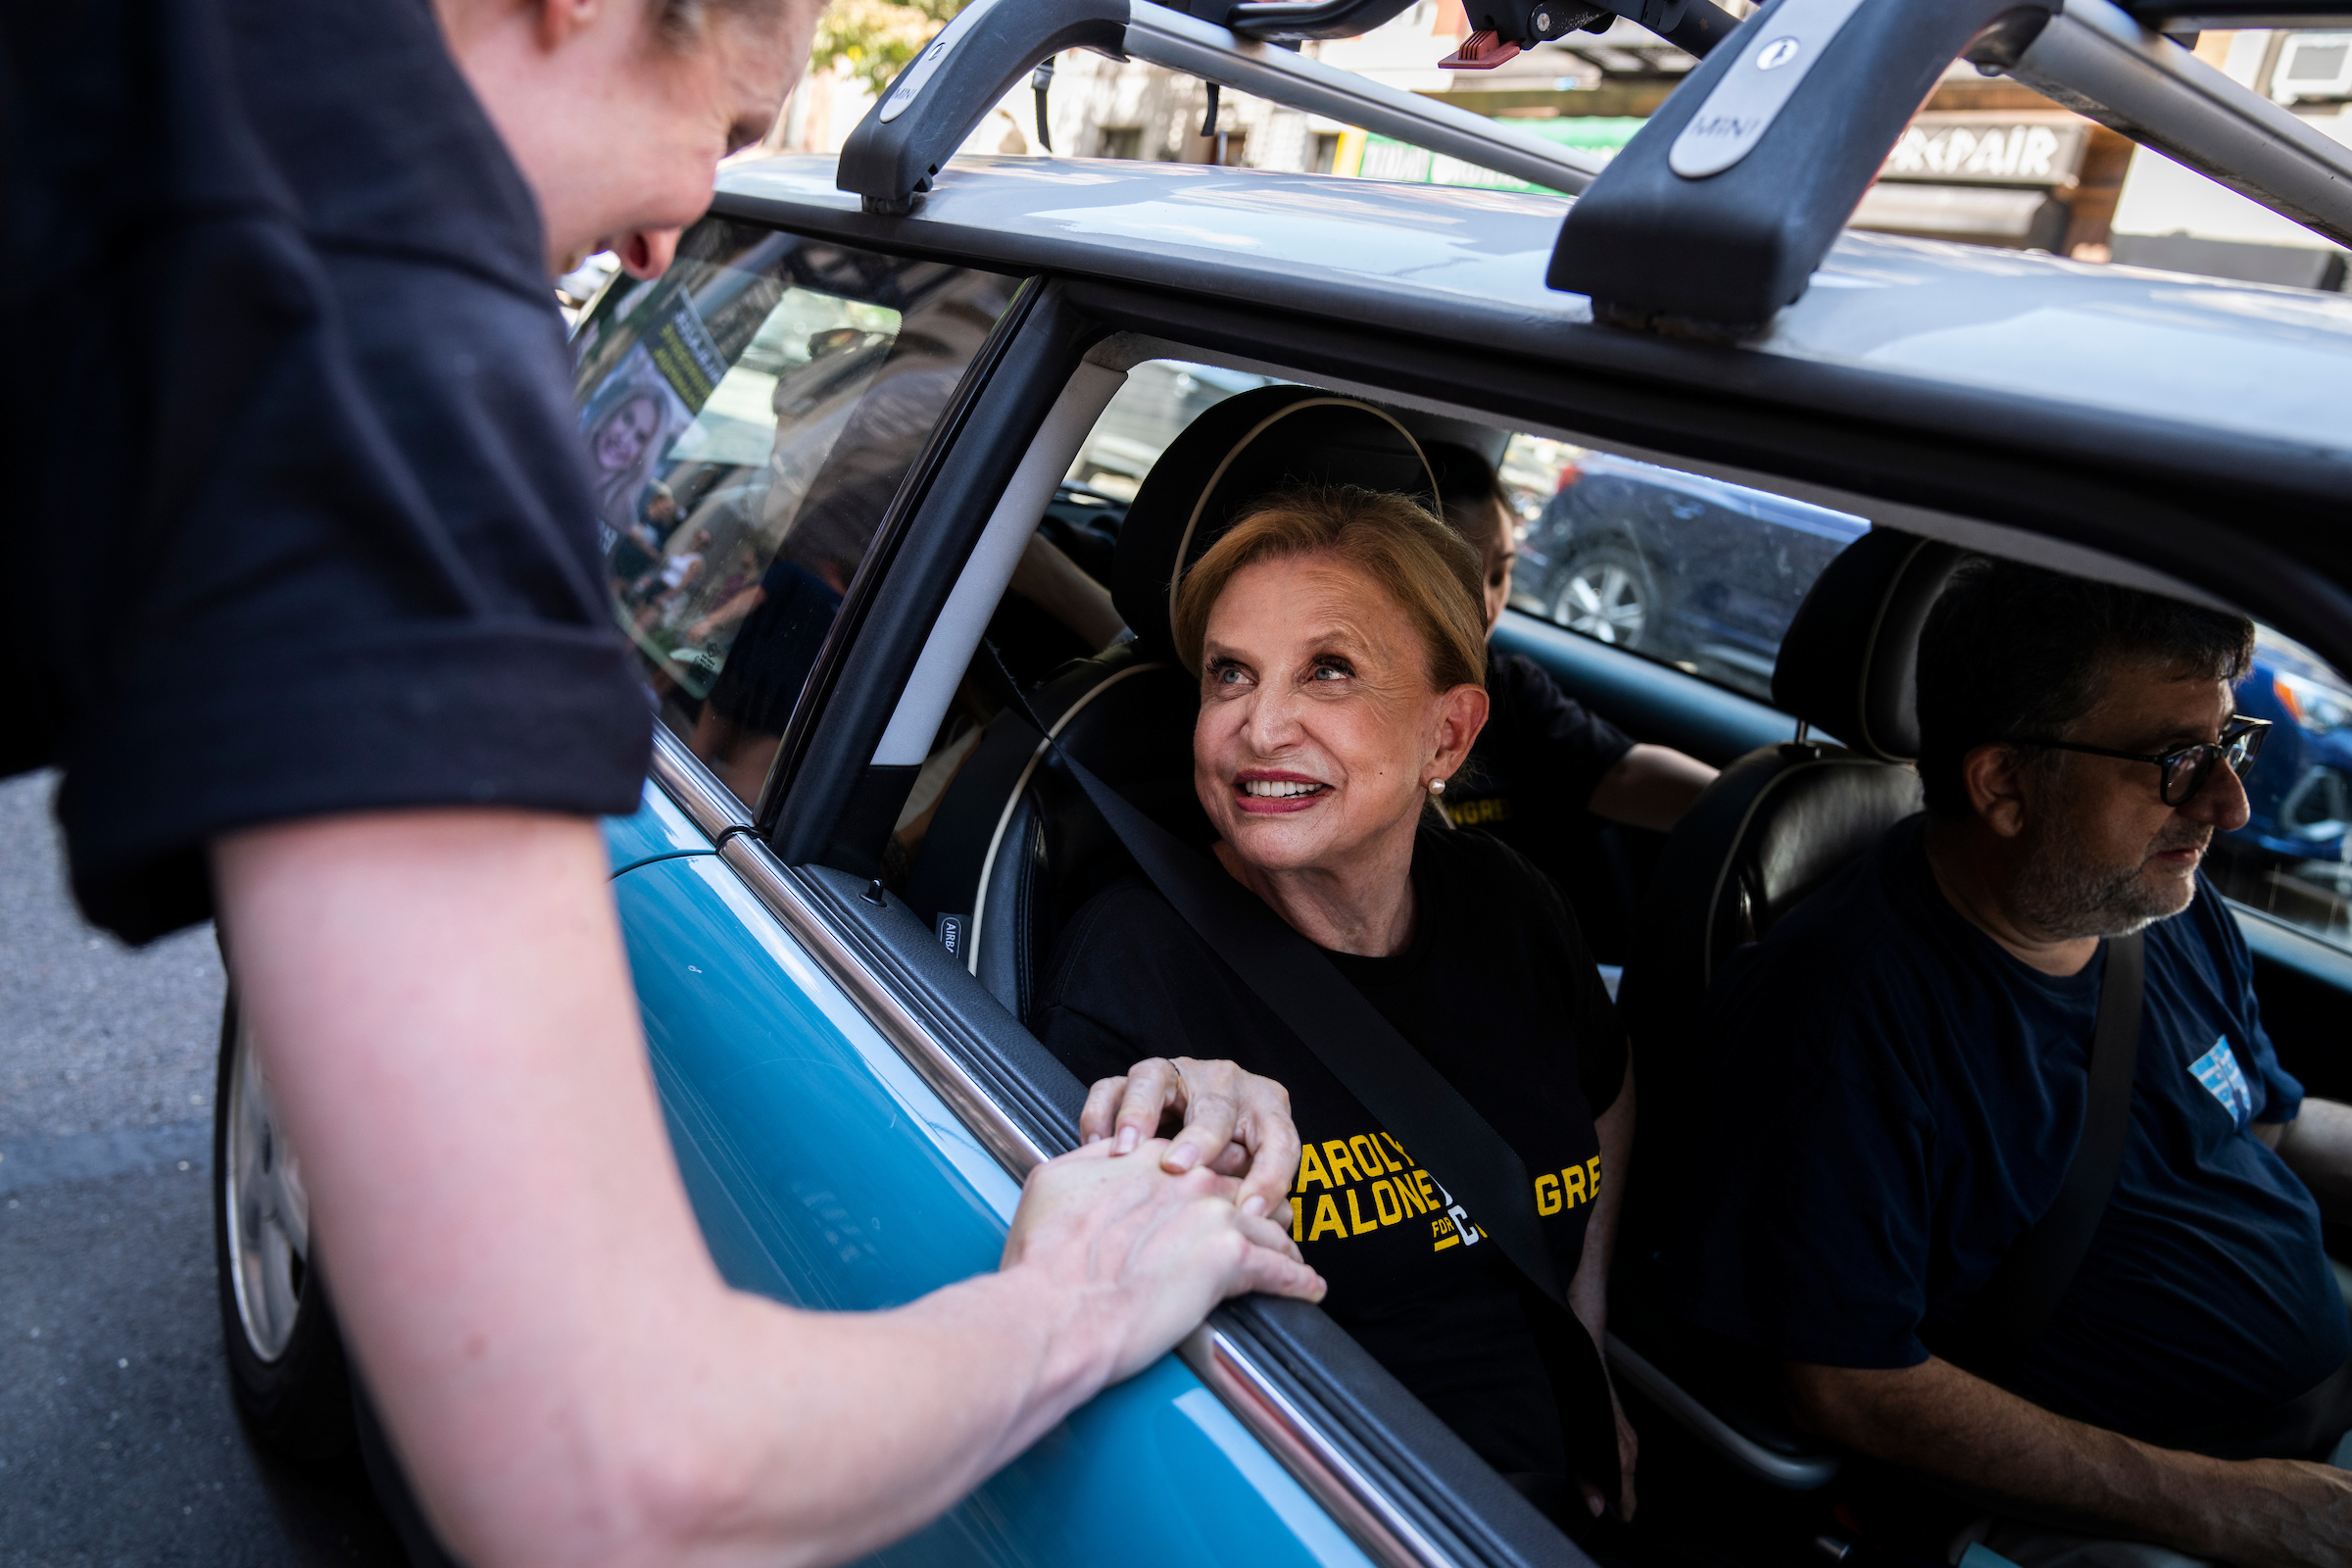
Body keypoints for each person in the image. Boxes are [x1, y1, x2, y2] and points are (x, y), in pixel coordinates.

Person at [5, 1, 1322, 1565]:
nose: (664, 248)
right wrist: (1076, 1302)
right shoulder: (372, 304)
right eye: (733, 132)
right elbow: (621, 1477)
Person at [1670, 556, 2352, 1565]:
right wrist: (2229, 1507)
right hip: (2126, 1508)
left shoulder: (2159, 903)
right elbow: (1849, 1383)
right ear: (2003, 784)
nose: (2227, 804)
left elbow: (2261, 1123)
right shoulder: (1841, 1018)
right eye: (2176, 759)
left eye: (2228, 745)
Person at [1031, 484, 1641, 1522]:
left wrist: (1584, 1342)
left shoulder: (1506, 900)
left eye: (1331, 669)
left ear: (1447, 738)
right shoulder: (1136, 962)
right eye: (1232, 674)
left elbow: (1610, 1093)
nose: (1260, 726)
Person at [1424, 443, 1718, 844]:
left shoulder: (1507, 687)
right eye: (1459, 580)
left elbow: (1619, 772)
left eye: (1499, 576)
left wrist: (1760, 805)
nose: (1487, 607)